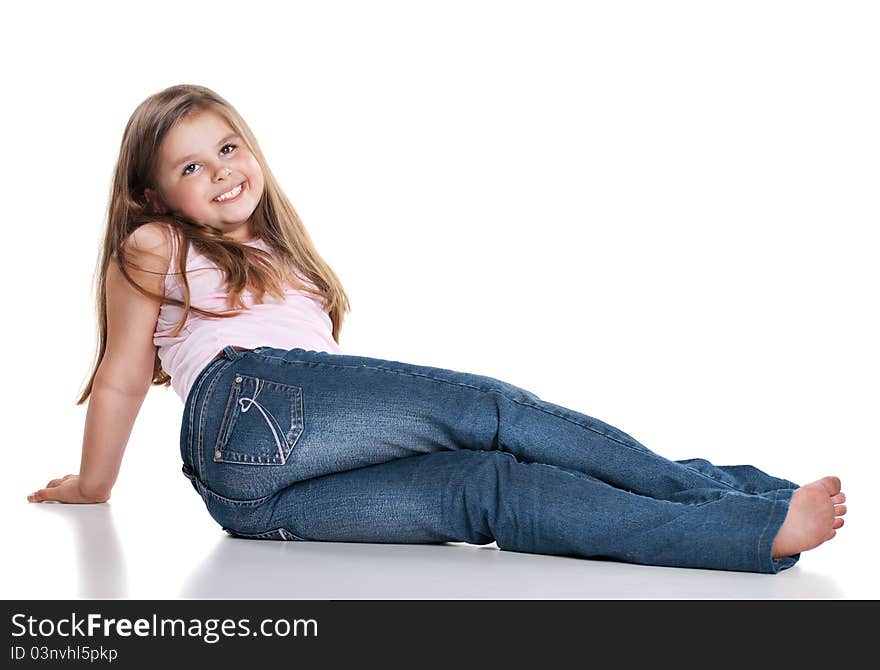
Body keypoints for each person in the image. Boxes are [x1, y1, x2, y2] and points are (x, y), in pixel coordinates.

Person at [28, 84, 846, 574]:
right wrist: (93, 486)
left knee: (490, 488)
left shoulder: (291, 259)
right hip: (246, 405)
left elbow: (332, 402)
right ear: (156, 196)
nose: (221, 172)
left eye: (228, 147)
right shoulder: (152, 244)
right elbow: (123, 375)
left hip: (251, 501)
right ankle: (732, 501)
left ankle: (748, 518)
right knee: (494, 408)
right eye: (190, 167)